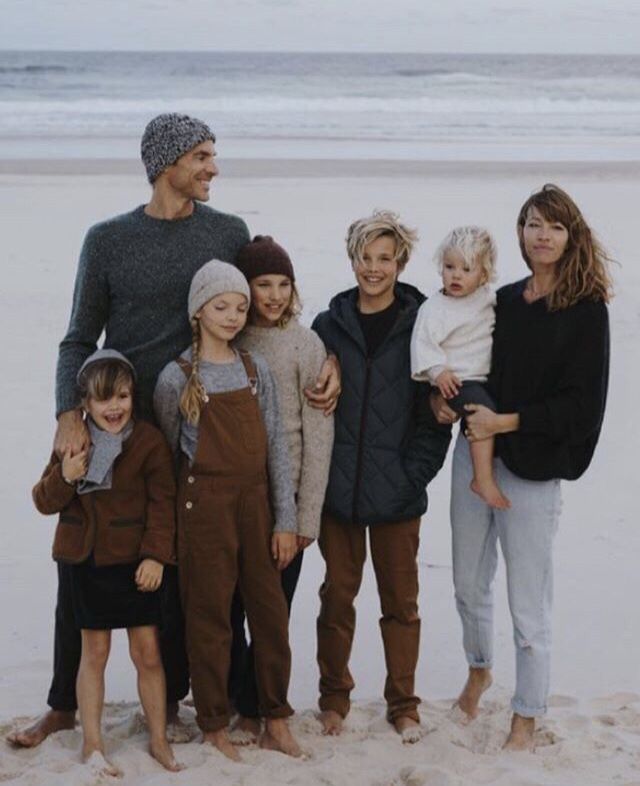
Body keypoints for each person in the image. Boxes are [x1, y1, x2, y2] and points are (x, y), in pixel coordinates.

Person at [8, 112, 251, 748]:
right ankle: (64, 704)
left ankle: (171, 701)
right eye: (201, 156)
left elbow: (259, 317)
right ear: (166, 162)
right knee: (79, 556)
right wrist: (69, 413)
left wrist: (323, 360)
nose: (212, 167)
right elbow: (77, 338)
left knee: (167, 558)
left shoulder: (229, 233)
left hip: (196, 426)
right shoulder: (108, 239)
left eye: (212, 155)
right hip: (114, 420)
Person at [432, 184, 611, 751]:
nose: (542, 235)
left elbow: (582, 409)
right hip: (473, 452)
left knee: (527, 603)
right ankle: (479, 668)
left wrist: (504, 423)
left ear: (571, 235)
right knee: (466, 583)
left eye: (554, 226)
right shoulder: (503, 299)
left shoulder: (586, 312)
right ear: (520, 231)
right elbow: (464, 356)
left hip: (531, 467)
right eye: (533, 224)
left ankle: (527, 715)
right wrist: (443, 402)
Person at [154, 260, 302, 762]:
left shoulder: (255, 371)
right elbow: (173, 455)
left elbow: (277, 450)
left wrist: (285, 520)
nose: (234, 315)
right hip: (203, 510)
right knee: (208, 618)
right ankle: (214, 723)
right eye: (222, 306)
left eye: (241, 307)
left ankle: (276, 719)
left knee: (270, 614)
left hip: (256, 504)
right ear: (198, 311)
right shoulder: (176, 378)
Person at [311, 210, 451, 742]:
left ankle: (403, 704)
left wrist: (411, 478)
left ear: (401, 262)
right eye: (365, 258)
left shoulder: (422, 326)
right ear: (352, 260)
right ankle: (333, 700)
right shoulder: (327, 325)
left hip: (397, 496)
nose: (374, 269)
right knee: (336, 599)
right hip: (338, 494)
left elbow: (434, 415)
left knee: (401, 605)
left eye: (384, 258)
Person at [32, 350, 182, 776]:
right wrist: (66, 474)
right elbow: (43, 501)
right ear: (85, 404)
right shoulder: (72, 443)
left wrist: (156, 557)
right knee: (93, 653)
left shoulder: (149, 440)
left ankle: (157, 739)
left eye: (122, 397)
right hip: (89, 561)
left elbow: (163, 504)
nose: (114, 408)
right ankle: (93, 744)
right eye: (103, 400)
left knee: (148, 653)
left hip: (137, 564)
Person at [230, 235, 334, 742]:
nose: (273, 295)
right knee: (229, 612)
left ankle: (267, 709)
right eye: (262, 284)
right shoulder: (230, 337)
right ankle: (241, 705)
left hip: (287, 506)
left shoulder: (304, 343)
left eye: (283, 284)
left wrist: (305, 518)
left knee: (273, 614)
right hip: (235, 504)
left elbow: (318, 435)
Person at [411, 226, 510, 509]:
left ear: (484, 274)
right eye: (449, 266)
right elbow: (422, 344)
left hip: (482, 378)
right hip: (455, 381)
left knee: (488, 406)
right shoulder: (434, 308)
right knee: (481, 415)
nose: (456, 275)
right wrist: (437, 372)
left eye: (467, 269)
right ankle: (482, 479)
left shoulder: (487, 299)